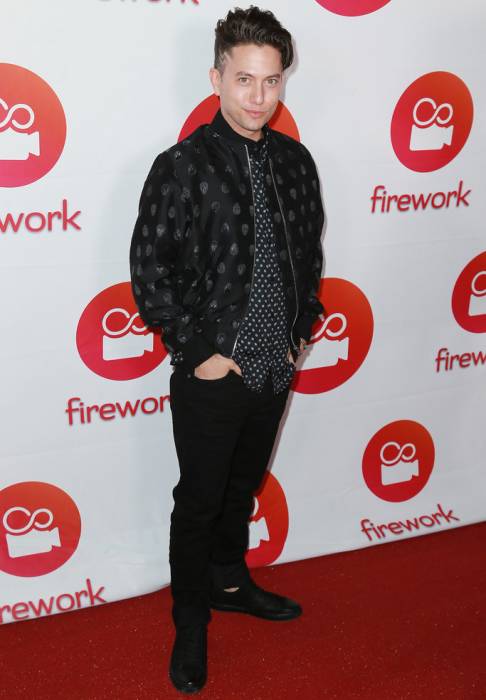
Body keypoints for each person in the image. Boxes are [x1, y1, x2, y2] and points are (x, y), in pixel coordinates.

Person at [129, 5, 325, 694]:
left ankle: (230, 583)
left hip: (275, 365)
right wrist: (198, 351)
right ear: (216, 78)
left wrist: (301, 330)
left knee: (242, 488)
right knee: (200, 500)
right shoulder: (180, 167)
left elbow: (308, 254)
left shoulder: (296, 163)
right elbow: (150, 272)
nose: (258, 97)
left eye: (271, 81)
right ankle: (190, 620)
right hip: (213, 370)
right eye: (244, 79)